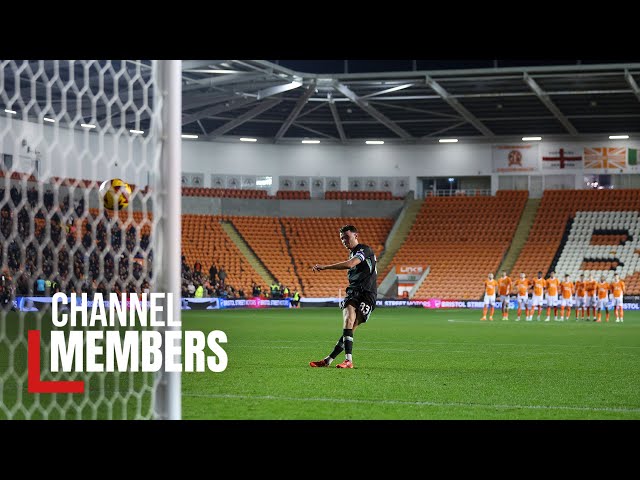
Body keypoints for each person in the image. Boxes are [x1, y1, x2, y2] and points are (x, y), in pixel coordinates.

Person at [309, 225, 377, 369]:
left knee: (350, 329)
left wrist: (325, 267)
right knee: (348, 321)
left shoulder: (364, 250)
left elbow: (351, 264)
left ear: (356, 235)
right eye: (342, 239)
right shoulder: (353, 253)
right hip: (354, 292)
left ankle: (329, 360)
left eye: (347, 237)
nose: (344, 241)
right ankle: (347, 361)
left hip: (368, 294)